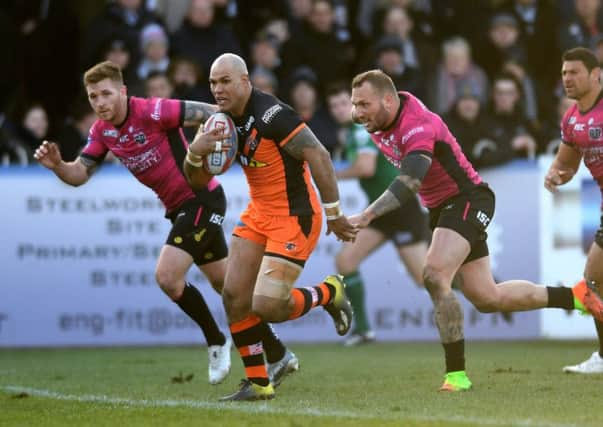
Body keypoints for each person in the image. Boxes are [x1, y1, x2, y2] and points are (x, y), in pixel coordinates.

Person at [33, 60, 296, 387]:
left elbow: (209, 111)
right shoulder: (102, 132)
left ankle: (216, 340)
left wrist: (235, 133)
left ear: (123, 92)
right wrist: (58, 165)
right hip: (179, 209)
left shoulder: (154, 111)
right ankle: (278, 353)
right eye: (93, 97)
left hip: (201, 199)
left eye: (106, 94)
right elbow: (79, 174)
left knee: (167, 277)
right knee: (230, 290)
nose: (100, 103)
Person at [347, 69, 603, 392]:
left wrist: (367, 215)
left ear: (387, 99)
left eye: (363, 104)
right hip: (442, 207)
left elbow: (410, 180)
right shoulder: (380, 119)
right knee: (487, 297)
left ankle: (456, 375)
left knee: (434, 274)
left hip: (467, 198)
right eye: (354, 105)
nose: (357, 113)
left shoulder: (417, 124)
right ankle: (576, 297)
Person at [184, 53, 357, 401]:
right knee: (233, 296)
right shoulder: (218, 123)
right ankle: (259, 383)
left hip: (295, 216)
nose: (218, 89)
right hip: (259, 213)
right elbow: (198, 181)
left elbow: (319, 155)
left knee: (267, 306)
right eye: (213, 83)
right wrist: (195, 153)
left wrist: (335, 212)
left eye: (225, 81)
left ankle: (328, 293)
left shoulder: (272, 114)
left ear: (245, 81)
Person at [326, 83, 429, 346]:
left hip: (400, 206)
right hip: (380, 209)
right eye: (333, 106)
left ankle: (479, 284)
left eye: (343, 103)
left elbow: (366, 168)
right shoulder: (353, 131)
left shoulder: (360, 131)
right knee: (346, 261)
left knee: (424, 279)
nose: (339, 109)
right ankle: (364, 331)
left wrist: (329, 175)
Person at [547, 47, 603, 374]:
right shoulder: (571, 118)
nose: (567, 78)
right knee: (593, 280)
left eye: (574, 72)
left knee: (594, 279)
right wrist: (555, 174)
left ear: (596, 74)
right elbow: (566, 164)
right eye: (564, 73)